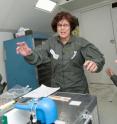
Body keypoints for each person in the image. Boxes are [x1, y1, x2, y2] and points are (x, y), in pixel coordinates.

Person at [16, 11, 105, 94]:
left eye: (66, 25)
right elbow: (38, 55)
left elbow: (98, 57)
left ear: (71, 27)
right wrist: (29, 54)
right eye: (59, 25)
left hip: (78, 89)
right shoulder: (50, 42)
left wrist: (96, 64)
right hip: (57, 88)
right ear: (56, 27)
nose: (62, 28)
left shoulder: (80, 42)